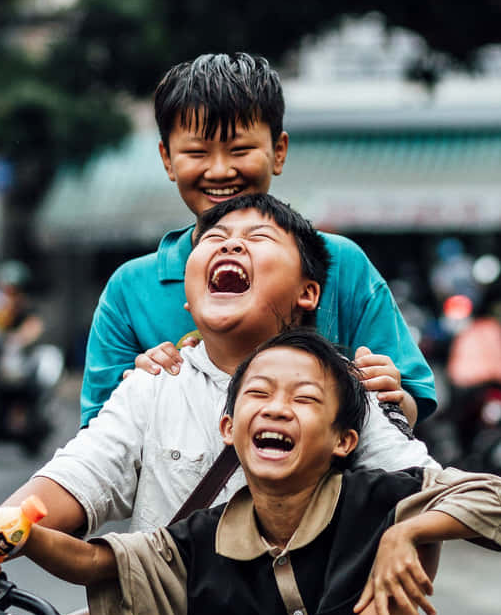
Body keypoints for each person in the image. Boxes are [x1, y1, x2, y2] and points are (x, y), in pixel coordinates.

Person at [0, 194, 501, 615]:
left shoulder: (347, 392)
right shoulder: (155, 385)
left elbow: (438, 490)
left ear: (309, 292)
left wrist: (396, 569)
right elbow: (73, 493)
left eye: (258, 237)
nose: (230, 243)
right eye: (215, 236)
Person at [80, 52, 437, 429]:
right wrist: (135, 391)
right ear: (167, 159)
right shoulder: (130, 289)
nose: (220, 170)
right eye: (197, 152)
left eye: (240, 150)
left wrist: (391, 395)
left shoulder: (341, 263)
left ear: (278, 152)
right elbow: (97, 437)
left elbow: (408, 408)